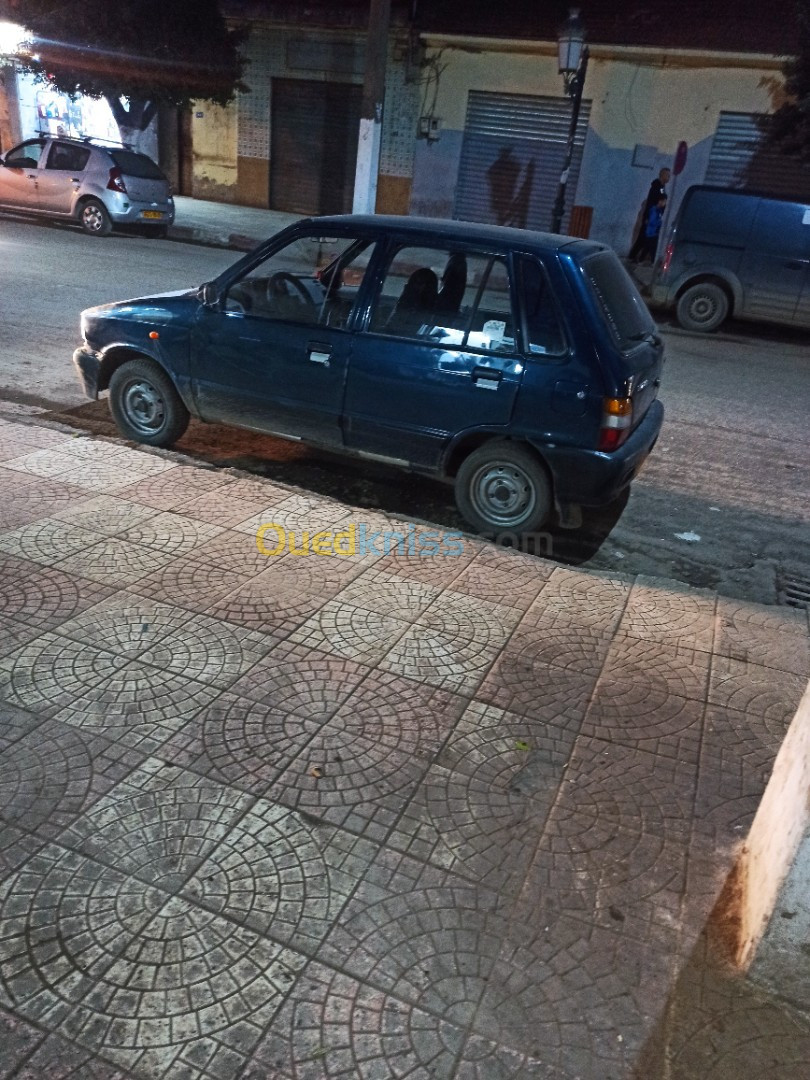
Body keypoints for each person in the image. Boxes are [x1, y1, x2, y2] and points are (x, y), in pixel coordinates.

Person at [628, 167, 670, 261]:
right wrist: (648, 217)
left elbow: (662, 198)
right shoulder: (657, 187)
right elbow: (657, 201)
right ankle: (643, 258)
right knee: (647, 239)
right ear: (662, 175)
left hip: (653, 218)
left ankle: (637, 257)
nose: (669, 178)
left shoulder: (661, 187)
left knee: (644, 239)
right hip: (651, 217)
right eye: (667, 175)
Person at [635, 195, 667, 264]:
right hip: (651, 232)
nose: (665, 203)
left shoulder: (659, 210)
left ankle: (641, 260)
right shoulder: (654, 210)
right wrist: (660, 223)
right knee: (652, 248)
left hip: (652, 232)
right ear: (660, 201)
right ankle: (652, 262)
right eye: (664, 201)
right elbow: (652, 221)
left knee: (648, 247)